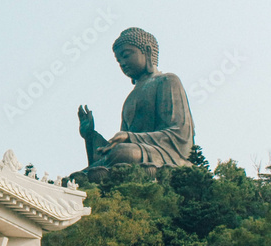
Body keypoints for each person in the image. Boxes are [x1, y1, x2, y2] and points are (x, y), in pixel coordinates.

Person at [77, 27, 194, 178]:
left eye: (126, 56)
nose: (122, 63)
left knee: (124, 153)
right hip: (136, 152)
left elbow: (179, 134)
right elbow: (115, 147)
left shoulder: (167, 81)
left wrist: (130, 137)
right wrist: (91, 136)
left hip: (167, 155)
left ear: (147, 51)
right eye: (118, 60)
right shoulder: (130, 98)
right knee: (91, 168)